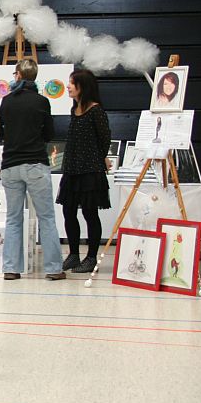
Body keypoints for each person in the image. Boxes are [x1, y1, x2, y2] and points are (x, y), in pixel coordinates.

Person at [0, 59, 65, 281]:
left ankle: (10, 268)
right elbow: (49, 134)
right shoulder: (42, 102)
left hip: (10, 164)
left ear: (18, 75)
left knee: (13, 218)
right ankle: (53, 269)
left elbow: (2, 131)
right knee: (46, 217)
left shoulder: (6, 101)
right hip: (35, 163)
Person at [58, 69, 112, 274]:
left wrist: (98, 158)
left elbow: (105, 138)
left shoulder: (96, 110)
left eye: (72, 83)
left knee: (90, 213)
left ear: (83, 86)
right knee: (68, 211)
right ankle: (73, 254)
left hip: (90, 170)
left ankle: (91, 257)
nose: (68, 86)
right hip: (72, 169)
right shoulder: (75, 109)